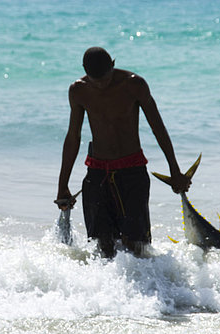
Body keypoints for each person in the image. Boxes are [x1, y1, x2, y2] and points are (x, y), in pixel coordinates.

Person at [55, 47, 192, 258]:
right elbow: (73, 138)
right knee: (101, 247)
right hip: (97, 174)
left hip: (132, 173)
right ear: (84, 71)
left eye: (105, 78)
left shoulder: (134, 84)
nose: (101, 84)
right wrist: (62, 185)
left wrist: (175, 170)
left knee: (137, 246)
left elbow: (158, 128)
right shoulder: (78, 90)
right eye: (95, 80)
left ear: (113, 64)